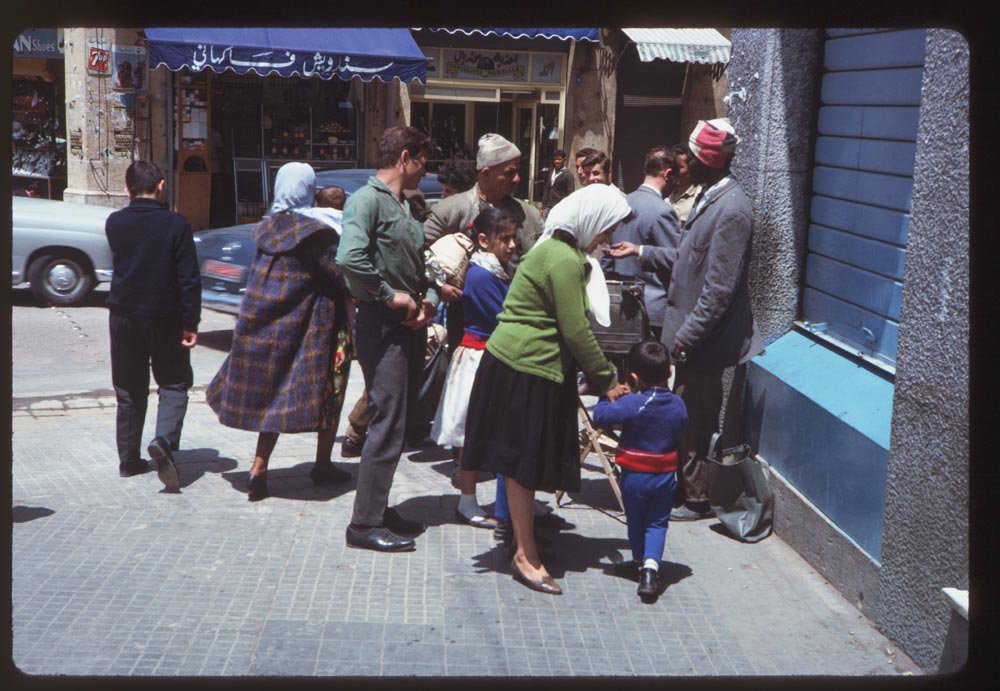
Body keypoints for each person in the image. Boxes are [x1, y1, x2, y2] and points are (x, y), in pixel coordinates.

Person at [462, 184, 632, 595]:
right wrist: (607, 379)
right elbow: (575, 329)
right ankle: (525, 554)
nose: (607, 238)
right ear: (591, 221)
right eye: (607, 228)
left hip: (529, 367)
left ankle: (524, 538)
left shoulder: (559, 251)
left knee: (525, 463)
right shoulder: (562, 258)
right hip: (523, 368)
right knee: (521, 465)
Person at [607, 118, 764, 521]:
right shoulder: (709, 197)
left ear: (705, 161)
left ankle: (697, 498)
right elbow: (685, 260)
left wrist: (686, 338)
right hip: (692, 335)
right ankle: (686, 489)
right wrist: (640, 252)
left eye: (688, 160)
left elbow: (718, 290)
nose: (680, 168)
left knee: (694, 418)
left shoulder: (732, 210)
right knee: (686, 413)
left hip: (704, 342)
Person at [206, 162, 353, 501]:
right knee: (331, 393)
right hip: (314, 331)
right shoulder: (318, 234)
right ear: (309, 189)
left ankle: (259, 467)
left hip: (270, 328)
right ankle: (322, 463)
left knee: (272, 395)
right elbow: (341, 276)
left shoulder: (265, 229)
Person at [336, 126, 439, 552]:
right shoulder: (366, 202)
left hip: (407, 324)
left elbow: (422, 262)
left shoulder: (406, 205)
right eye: (421, 161)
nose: (424, 171)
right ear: (404, 158)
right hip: (382, 324)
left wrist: (428, 298)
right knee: (387, 423)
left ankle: (376, 508)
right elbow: (349, 258)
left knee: (396, 423)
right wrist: (389, 296)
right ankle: (363, 524)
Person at [105, 160, 200, 490]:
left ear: (127, 190)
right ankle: (163, 441)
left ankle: (129, 460)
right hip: (165, 316)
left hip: (123, 315)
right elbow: (188, 279)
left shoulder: (114, 222)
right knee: (173, 382)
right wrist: (191, 321)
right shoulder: (176, 224)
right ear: (161, 185)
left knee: (129, 388)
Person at [431, 207, 517, 529]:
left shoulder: (497, 270)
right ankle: (467, 500)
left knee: (496, 431)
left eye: (513, 238)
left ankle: (509, 502)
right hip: (479, 359)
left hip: (490, 356)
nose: (511, 245)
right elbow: (503, 314)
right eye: (504, 239)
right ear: (483, 240)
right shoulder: (481, 275)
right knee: (472, 432)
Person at [593, 340, 687, 600]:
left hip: (634, 477)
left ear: (633, 378)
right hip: (666, 476)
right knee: (657, 522)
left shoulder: (633, 404)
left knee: (636, 521)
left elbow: (600, 417)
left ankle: (638, 562)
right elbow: (681, 424)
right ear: (669, 371)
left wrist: (607, 396)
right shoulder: (678, 405)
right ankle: (651, 569)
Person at [600, 146, 683, 341]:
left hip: (620, 305)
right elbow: (677, 260)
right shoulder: (663, 211)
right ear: (668, 174)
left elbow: (606, 256)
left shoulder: (622, 203)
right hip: (651, 311)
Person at [669, 144, 702, 228]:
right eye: (672, 167)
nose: (674, 172)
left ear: (691, 168)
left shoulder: (699, 197)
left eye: (679, 167)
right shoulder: (667, 197)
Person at [541, 148, 573, 215]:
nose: (557, 161)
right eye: (555, 159)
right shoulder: (551, 173)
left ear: (564, 160)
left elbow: (570, 194)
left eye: (559, 159)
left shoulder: (568, 175)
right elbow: (547, 189)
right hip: (548, 208)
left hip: (560, 209)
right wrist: (543, 206)